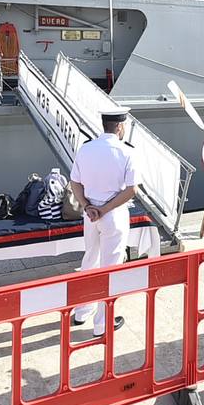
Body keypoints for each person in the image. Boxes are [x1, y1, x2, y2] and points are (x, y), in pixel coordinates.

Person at [68, 108, 140, 334]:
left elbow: (75, 183)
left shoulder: (86, 149)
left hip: (89, 216)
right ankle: (102, 323)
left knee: (89, 260)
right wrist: (103, 209)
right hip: (113, 215)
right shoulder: (127, 152)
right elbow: (131, 190)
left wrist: (89, 207)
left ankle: (82, 312)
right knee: (111, 267)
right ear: (120, 127)